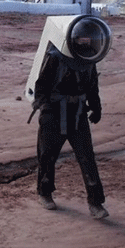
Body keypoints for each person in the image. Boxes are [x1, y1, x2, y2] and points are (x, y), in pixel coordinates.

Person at [32, 17, 110, 219]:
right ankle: (45, 192)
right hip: (54, 113)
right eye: (81, 38)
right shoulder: (55, 57)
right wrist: (45, 107)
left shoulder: (89, 60)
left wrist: (96, 107)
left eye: (88, 38)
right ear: (73, 38)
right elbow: (41, 86)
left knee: (87, 158)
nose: (85, 42)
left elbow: (92, 86)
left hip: (78, 115)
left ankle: (96, 203)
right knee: (47, 156)